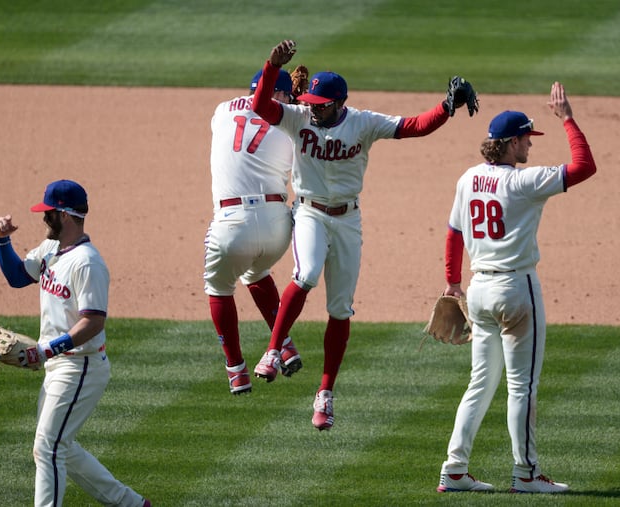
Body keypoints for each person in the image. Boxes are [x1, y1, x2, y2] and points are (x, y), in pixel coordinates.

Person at [251, 39, 475, 431]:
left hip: (348, 221)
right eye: (311, 101)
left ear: (340, 103)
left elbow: (413, 127)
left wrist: (446, 107)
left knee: (340, 309)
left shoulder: (363, 122)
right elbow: (261, 107)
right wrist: (272, 66)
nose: (313, 108)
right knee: (304, 275)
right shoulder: (297, 117)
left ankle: (325, 394)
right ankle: (273, 351)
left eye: (321, 104)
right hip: (309, 212)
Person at [436, 82, 597, 494]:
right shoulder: (525, 183)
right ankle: (526, 473)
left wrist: (452, 281)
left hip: (479, 291)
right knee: (521, 387)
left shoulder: (467, 179)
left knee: (479, 383)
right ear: (509, 144)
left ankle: (454, 469)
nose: (530, 144)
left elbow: (454, 232)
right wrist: (567, 119)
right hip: (516, 292)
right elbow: (583, 167)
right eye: (526, 137)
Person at [0, 180, 151, 507]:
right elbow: (18, 276)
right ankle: (131, 503)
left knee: (47, 447)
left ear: (64, 215)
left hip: (80, 367)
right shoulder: (51, 249)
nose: (43, 218)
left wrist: (45, 349)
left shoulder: (88, 263)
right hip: (57, 364)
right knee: (60, 445)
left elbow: (93, 322)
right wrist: (2, 241)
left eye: (48, 213)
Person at [203, 68, 303, 395]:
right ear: (284, 96)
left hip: (232, 223)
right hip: (278, 226)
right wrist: (294, 103)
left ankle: (236, 370)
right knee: (256, 271)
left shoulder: (221, 110)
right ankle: (284, 345)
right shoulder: (295, 120)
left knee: (219, 287)